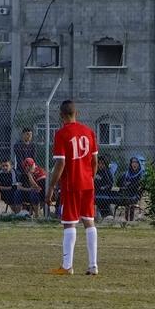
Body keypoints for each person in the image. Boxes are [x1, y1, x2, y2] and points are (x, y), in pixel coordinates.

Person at [46, 100, 99, 276]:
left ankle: (67, 266)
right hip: (88, 183)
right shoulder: (89, 132)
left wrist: (51, 186)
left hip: (72, 184)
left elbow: (60, 163)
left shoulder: (61, 134)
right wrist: (90, 177)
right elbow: (94, 161)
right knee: (88, 221)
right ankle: (93, 265)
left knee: (69, 223)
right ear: (77, 113)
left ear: (61, 115)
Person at [117, 156, 145, 221]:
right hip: (126, 193)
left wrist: (128, 186)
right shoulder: (127, 173)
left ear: (139, 164)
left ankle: (131, 220)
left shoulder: (141, 174)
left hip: (135, 193)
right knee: (126, 200)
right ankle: (127, 220)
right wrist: (124, 185)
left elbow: (138, 185)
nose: (134, 164)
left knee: (130, 201)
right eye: (133, 162)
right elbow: (119, 183)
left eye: (136, 162)